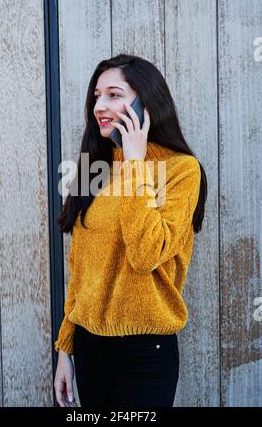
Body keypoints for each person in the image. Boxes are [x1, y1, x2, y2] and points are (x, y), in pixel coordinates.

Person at [54, 53, 207, 407]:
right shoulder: (97, 167)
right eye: (96, 96)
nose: (100, 106)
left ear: (146, 102)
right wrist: (65, 349)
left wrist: (136, 164)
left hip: (145, 352)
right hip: (90, 345)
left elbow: (145, 254)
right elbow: (80, 270)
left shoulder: (181, 170)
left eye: (114, 94)